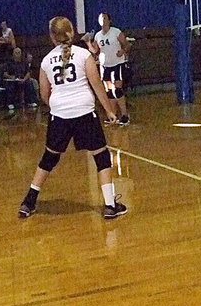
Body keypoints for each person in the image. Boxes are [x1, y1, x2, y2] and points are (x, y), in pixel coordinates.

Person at [17, 16, 125, 220]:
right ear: (72, 32)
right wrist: (109, 111)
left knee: (49, 158)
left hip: (59, 116)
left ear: (52, 37)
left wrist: (58, 106)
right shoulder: (84, 55)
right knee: (101, 157)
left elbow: (43, 94)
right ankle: (110, 205)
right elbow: (97, 85)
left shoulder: (46, 61)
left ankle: (29, 201)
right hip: (85, 112)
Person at [94, 12, 131, 125]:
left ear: (109, 20)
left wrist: (123, 51)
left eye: (105, 18)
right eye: (101, 18)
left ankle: (124, 115)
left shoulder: (116, 32)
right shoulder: (98, 35)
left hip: (117, 64)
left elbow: (127, 44)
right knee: (109, 91)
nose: (103, 20)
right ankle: (113, 115)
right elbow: (95, 50)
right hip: (105, 66)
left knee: (117, 90)